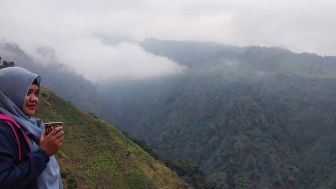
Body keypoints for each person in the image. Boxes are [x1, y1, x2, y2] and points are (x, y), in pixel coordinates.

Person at [0, 67, 64, 188]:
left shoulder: (29, 124)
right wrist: (44, 153)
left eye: (36, 93)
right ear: (9, 94)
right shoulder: (3, 129)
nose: (34, 99)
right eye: (27, 93)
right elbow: (4, 181)